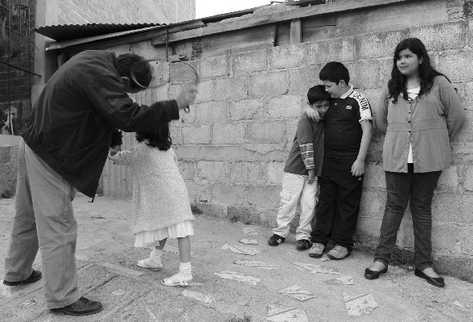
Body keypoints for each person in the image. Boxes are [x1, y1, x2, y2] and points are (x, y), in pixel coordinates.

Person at [2, 50, 196, 316]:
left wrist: (113, 140)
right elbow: (125, 115)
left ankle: (18, 271)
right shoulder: (99, 74)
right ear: (125, 78)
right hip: (51, 154)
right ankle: (62, 298)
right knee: (59, 227)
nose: (127, 94)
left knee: (27, 217)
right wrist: (173, 106)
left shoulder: (94, 60)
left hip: (34, 142)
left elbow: (99, 107)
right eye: (129, 90)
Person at [364, 38, 465, 287]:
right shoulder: (391, 87)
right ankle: (381, 259)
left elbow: (457, 117)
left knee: (421, 208)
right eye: (399, 57)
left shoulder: (439, 84)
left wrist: (437, 139)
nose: (402, 61)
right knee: (393, 207)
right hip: (397, 158)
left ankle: (424, 264)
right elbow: (381, 123)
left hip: (429, 159)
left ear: (421, 58)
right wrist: (399, 138)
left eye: (408, 56)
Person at [108, 123, 195, 287]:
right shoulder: (168, 148)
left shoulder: (141, 150)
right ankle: (155, 259)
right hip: (176, 194)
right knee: (166, 226)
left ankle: (185, 272)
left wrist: (113, 143)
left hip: (168, 197)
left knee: (181, 231)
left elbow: (118, 156)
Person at [308, 62, 373, 260]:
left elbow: (368, 130)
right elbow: (313, 105)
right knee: (325, 201)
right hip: (329, 160)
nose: (326, 90)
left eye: (329, 86)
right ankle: (319, 240)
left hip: (350, 161)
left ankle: (343, 243)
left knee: (347, 203)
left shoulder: (358, 99)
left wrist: (360, 160)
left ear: (342, 82)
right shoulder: (329, 99)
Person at [267, 85, 330, 251]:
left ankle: (303, 236)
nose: (323, 109)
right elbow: (305, 144)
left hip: (315, 171)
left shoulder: (325, 121)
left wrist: (314, 171)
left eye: (326, 105)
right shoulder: (306, 119)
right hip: (296, 169)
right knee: (289, 201)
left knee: (309, 204)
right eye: (319, 106)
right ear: (311, 106)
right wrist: (310, 169)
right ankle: (280, 232)